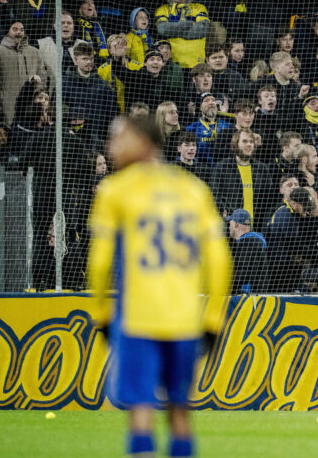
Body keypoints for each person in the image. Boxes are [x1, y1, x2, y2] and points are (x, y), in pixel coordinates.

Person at [87, 115, 232, 458]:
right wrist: (213, 319)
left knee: (141, 409)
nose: (111, 148)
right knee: (180, 410)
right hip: (184, 319)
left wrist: (102, 315)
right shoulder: (192, 188)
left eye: (117, 138)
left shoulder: (115, 190)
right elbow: (219, 259)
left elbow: (99, 264)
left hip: (138, 317)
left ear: (142, 141)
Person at [226, 208, 269, 294]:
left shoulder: (249, 243)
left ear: (236, 225)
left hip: (247, 297)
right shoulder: (251, 242)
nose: (229, 227)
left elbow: (243, 274)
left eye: (230, 223)